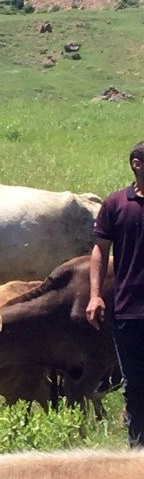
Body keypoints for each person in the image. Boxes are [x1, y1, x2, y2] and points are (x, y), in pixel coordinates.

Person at [86, 140, 144, 448]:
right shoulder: (115, 205)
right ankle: (137, 454)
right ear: (137, 164)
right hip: (129, 311)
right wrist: (95, 295)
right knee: (134, 386)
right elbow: (99, 251)